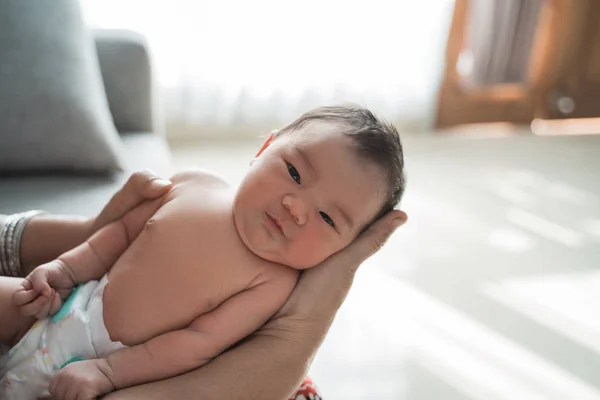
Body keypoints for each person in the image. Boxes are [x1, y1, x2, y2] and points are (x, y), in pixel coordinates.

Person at [0, 106, 408, 400]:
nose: (296, 208)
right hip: (66, 304)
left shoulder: (273, 284)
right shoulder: (195, 184)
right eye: (295, 173)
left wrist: (106, 372)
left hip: (115, 368)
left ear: (343, 249)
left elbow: (197, 343)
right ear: (265, 146)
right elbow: (119, 233)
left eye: (327, 217)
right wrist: (64, 268)